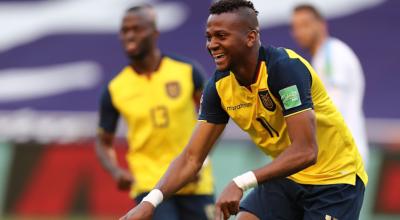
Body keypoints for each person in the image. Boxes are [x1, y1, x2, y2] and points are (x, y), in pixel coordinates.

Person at [120, 1, 367, 220]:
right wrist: (149, 202)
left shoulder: (284, 69)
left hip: (335, 180)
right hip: (290, 178)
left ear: (250, 37)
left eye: (221, 36)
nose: (212, 45)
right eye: (209, 37)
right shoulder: (219, 87)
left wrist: (241, 182)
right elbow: (191, 158)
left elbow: (306, 150)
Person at [95, 4, 214, 220]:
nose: (129, 35)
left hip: (195, 182)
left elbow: (214, 118)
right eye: (125, 30)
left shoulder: (186, 71)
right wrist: (116, 171)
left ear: (154, 33)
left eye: (136, 29)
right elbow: (104, 141)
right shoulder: (115, 88)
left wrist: (201, 162)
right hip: (149, 185)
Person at [291, 4, 369, 166]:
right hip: (341, 154)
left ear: (322, 25)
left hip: (343, 155)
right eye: (295, 27)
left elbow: (334, 106)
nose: (299, 32)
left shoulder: (331, 55)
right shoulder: (323, 56)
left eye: (305, 25)